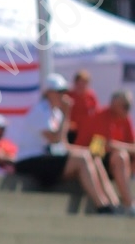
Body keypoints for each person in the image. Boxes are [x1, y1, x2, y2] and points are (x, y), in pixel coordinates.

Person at [13, 76, 120, 211]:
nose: (63, 96)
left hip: (46, 158)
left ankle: (114, 202)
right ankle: (102, 205)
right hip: (29, 160)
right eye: (60, 92)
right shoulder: (40, 111)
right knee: (83, 159)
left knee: (91, 157)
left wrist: (85, 151)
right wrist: (66, 114)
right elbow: (55, 139)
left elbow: (62, 143)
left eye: (65, 92)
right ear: (49, 93)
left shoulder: (57, 112)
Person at [80, 86, 135, 212]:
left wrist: (118, 146)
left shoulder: (125, 119)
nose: (128, 108)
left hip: (115, 164)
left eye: (129, 105)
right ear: (114, 103)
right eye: (125, 105)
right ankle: (128, 203)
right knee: (120, 156)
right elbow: (97, 148)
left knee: (122, 155)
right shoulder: (100, 117)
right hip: (92, 160)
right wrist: (119, 147)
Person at [68, 69, 100, 147]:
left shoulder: (91, 96)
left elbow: (97, 113)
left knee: (97, 151)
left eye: (84, 83)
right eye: (79, 83)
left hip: (88, 131)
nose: (81, 86)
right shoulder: (69, 95)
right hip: (73, 132)